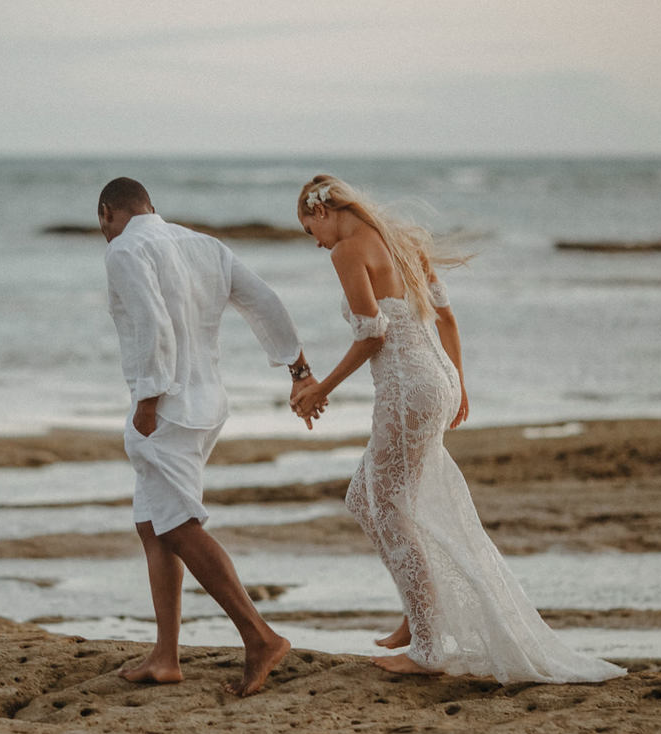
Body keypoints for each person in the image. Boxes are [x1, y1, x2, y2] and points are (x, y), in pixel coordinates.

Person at [290, 175, 625, 683]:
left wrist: (321, 388)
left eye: (308, 228)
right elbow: (446, 317)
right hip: (437, 381)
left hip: (409, 390)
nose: (315, 242)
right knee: (366, 497)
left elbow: (373, 335)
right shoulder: (405, 241)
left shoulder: (348, 252)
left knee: (388, 505)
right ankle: (418, 609)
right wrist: (458, 385)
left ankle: (428, 645)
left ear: (322, 211)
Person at [98, 177, 320, 696]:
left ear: (107, 213)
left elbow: (154, 324)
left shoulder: (126, 250)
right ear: (153, 206)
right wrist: (297, 367)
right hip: (207, 404)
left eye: (101, 224)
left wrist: (149, 400)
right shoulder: (205, 245)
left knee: (178, 526)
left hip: (169, 407)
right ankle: (165, 656)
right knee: (154, 524)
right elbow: (263, 299)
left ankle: (259, 636)